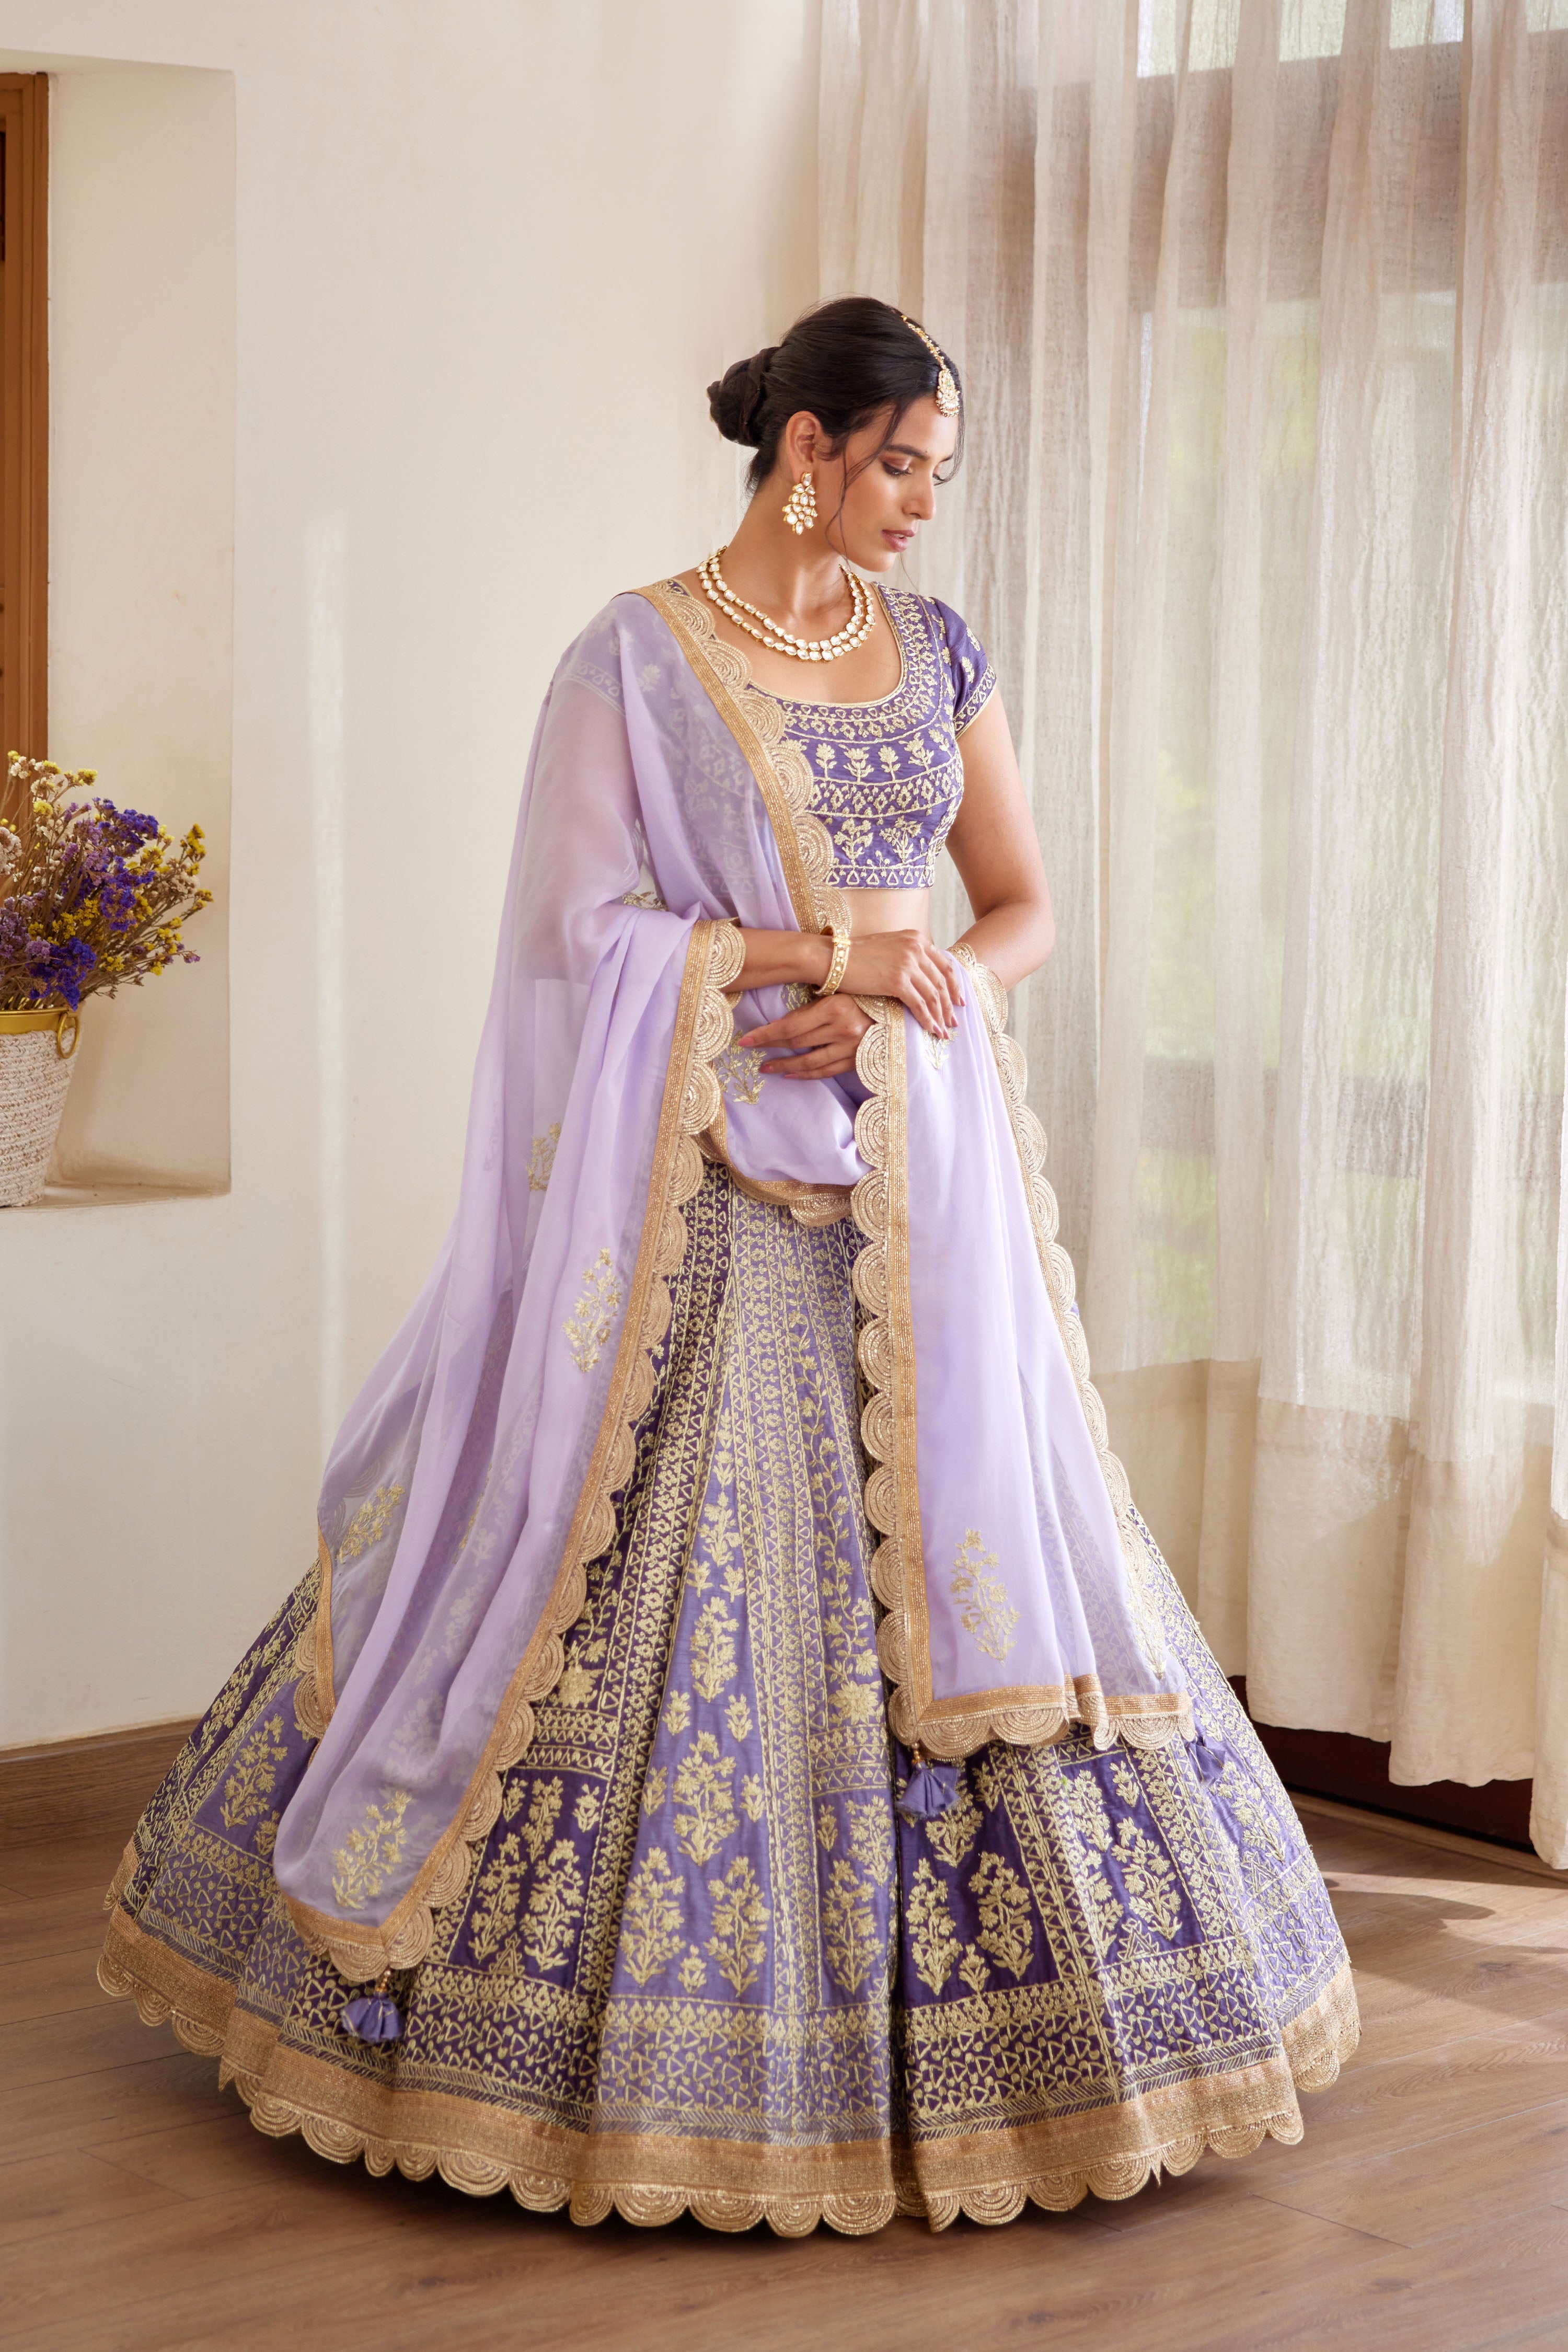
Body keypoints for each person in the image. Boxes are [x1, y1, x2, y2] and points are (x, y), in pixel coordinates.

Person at [99, 297, 1356, 2236]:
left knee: (1001, 1557)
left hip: (915, 1189)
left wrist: (924, 993)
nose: (924, 503)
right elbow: (572, 928)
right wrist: (820, 958)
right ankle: (593, 2062)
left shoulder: (939, 652)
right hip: (705, 1189)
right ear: (808, 451)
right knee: (607, 1565)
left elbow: (1022, 908)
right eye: (903, 465)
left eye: (940, 472)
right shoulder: (638, 656)